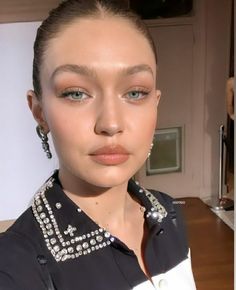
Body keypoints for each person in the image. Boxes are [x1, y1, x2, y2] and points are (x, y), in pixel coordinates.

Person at [0, 1, 196, 289]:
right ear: (39, 111)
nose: (111, 123)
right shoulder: (16, 267)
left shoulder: (168, 212)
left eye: (135, 92)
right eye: (76, 93)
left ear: (155, 103)